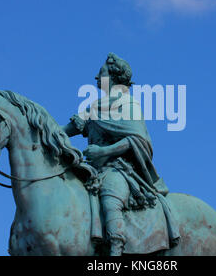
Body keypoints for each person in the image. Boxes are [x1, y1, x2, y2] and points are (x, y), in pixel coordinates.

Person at [62, 53, 178, 256]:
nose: (96, 77)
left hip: (118, 169)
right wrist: (42, 132)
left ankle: (116, 248)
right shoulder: (93, 107)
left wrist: (104, 151)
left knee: (110, 196)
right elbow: (64, 130)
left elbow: (137, 139)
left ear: (113, 77)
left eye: (101, 73)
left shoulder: (128, 104)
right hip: (91, 169)